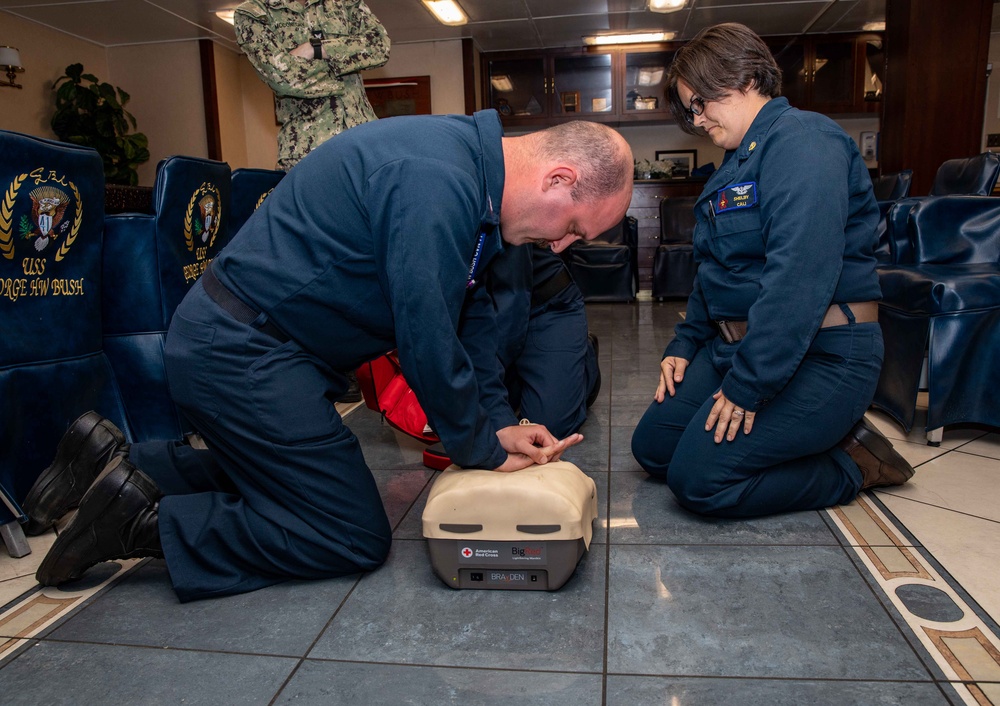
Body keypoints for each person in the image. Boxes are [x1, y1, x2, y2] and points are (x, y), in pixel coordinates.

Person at [28, 112, 634, 600]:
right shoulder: (435, 180)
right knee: (347, 533)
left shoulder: (475, 189)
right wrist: (476, 448)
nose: (561, 245)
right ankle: (141, 523)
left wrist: (498, 426)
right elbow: (427, 338)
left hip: (268, 352)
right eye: (575, 229)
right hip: (241, 352)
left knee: (294, 483)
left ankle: (114, 461)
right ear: (558, 178)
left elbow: (468, 325)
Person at [630, 23, 914, 519]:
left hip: (821, 356)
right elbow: (713, 271)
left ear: (742, 77)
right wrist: (684, 344)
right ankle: (791, 439)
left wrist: (748, 386)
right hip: (738, 348)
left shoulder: (805, 142)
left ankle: (853, 463)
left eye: (700, 103)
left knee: (699, 483)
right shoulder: (734, 164)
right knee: (653, 448)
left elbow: (799, 280)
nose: (697, 121)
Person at [234, 0, 390, 171]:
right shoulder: (253, 12)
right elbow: (284, 79)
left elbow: (380, 47)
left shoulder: (345, 3)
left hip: (364, 143)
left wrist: (316, 48)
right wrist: (345, 66)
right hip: (308, 152)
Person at [486, 244, 600, 438]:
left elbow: (511, 313)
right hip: (491, 316)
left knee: (547, 429)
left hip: (549, 308)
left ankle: (584, 360)